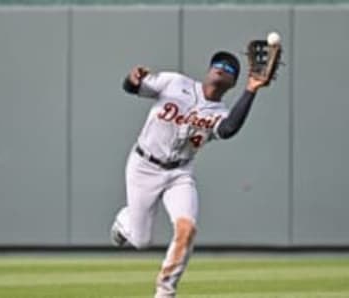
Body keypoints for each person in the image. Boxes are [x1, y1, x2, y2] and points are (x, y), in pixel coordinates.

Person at [110, 51, 271, 298]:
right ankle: (126, 219)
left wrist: (251, 89)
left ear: (233, 83)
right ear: (208, 70)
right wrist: (132, 79)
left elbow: (228, 129)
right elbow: (131, 88)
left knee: (187, 230)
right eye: (218, 64)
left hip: (179, 174)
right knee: (141, 241)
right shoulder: (175, 83)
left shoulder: (220, 113)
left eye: (229, 68)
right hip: (144, 166)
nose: (222, 68)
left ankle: (165, 292)